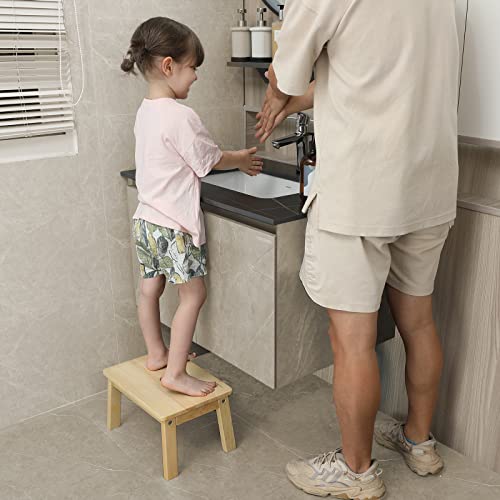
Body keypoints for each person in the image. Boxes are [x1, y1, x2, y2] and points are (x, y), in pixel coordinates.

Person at [257, 1, 459, 498]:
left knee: (352, 342)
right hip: (429, 184)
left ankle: (357, 471)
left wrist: (277, 93)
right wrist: (296, 98)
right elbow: (370, 75)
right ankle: (419, 442)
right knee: (419, 321)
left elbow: (283, 73)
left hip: (362, 191)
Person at [122, 17, 263, 397]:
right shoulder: (180, 115)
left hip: (146, 219)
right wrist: (240, 159)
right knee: (193, 295)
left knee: (149, 289)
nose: (196, 76)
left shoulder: (146, 110)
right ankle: (176, 373)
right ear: (169, 66)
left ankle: (157, 354)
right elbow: (208, 160)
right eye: (192, 67)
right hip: (174, 225)